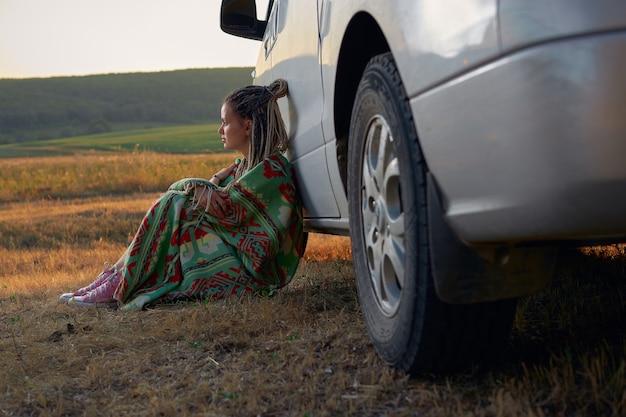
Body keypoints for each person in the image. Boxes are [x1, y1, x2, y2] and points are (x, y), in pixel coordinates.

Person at [59, 79, 307, 310]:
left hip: (253, 271)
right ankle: (114, 277)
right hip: (231, 253)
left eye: (225, 122)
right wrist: (212, 181)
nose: (220, 130)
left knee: (175, 203)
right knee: (176, 203)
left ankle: (119, 282)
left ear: (248, 125)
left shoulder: (271, 170)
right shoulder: (243, 167)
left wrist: (199, 185)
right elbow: (214, 203)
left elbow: (226, 214)